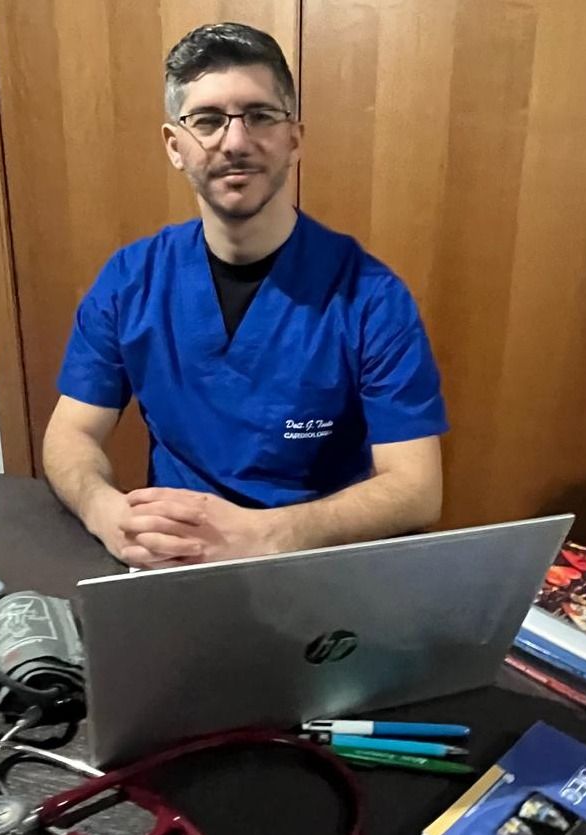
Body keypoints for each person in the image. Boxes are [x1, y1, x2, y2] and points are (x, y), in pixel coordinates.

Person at [44, 22, 448, 570]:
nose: (235, 142)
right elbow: (70, 432)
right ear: (175, 146)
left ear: (294, 139)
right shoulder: (130, 281)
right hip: (172, 564)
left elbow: (417, 488)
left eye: (260, 116)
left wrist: (266, 535)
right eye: (207, 120)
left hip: (314, 567)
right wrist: (103, 510)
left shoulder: (371, 298)